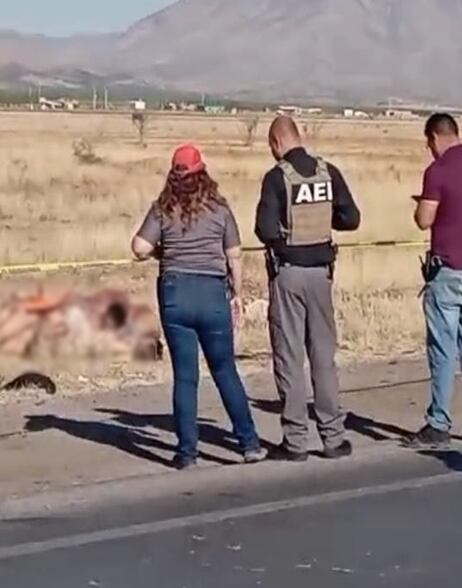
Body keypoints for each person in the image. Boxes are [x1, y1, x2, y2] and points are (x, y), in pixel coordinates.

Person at [131, 143, 267, 470]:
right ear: (201, 172)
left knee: (185, 377)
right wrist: (236, 292)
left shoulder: (162, 208)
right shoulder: (219, 208)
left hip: (175, 293)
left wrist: (165, 255)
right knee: (224, 371)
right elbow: (234, 255)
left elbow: (139, 247)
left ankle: (187, 453)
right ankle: (248, 443)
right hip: (211, 294)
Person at [254, 115, 361, 462]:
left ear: (275, 143)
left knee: (289, 357)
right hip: (321, 274)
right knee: (323, 358)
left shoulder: (275, 178)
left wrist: (288, 235)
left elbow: (265, 229)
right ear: (301, 136)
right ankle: (333, 437)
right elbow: (351, 219)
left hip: (288, 274)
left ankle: (295, 442)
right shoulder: (328, 172)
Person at [404, 112, 462, 450]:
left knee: (443, 349)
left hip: (448, 272)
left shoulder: (438, 171)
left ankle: (439, 423)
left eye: (429, 143)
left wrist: (423, 206)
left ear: (434, 137)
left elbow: (423, 219)